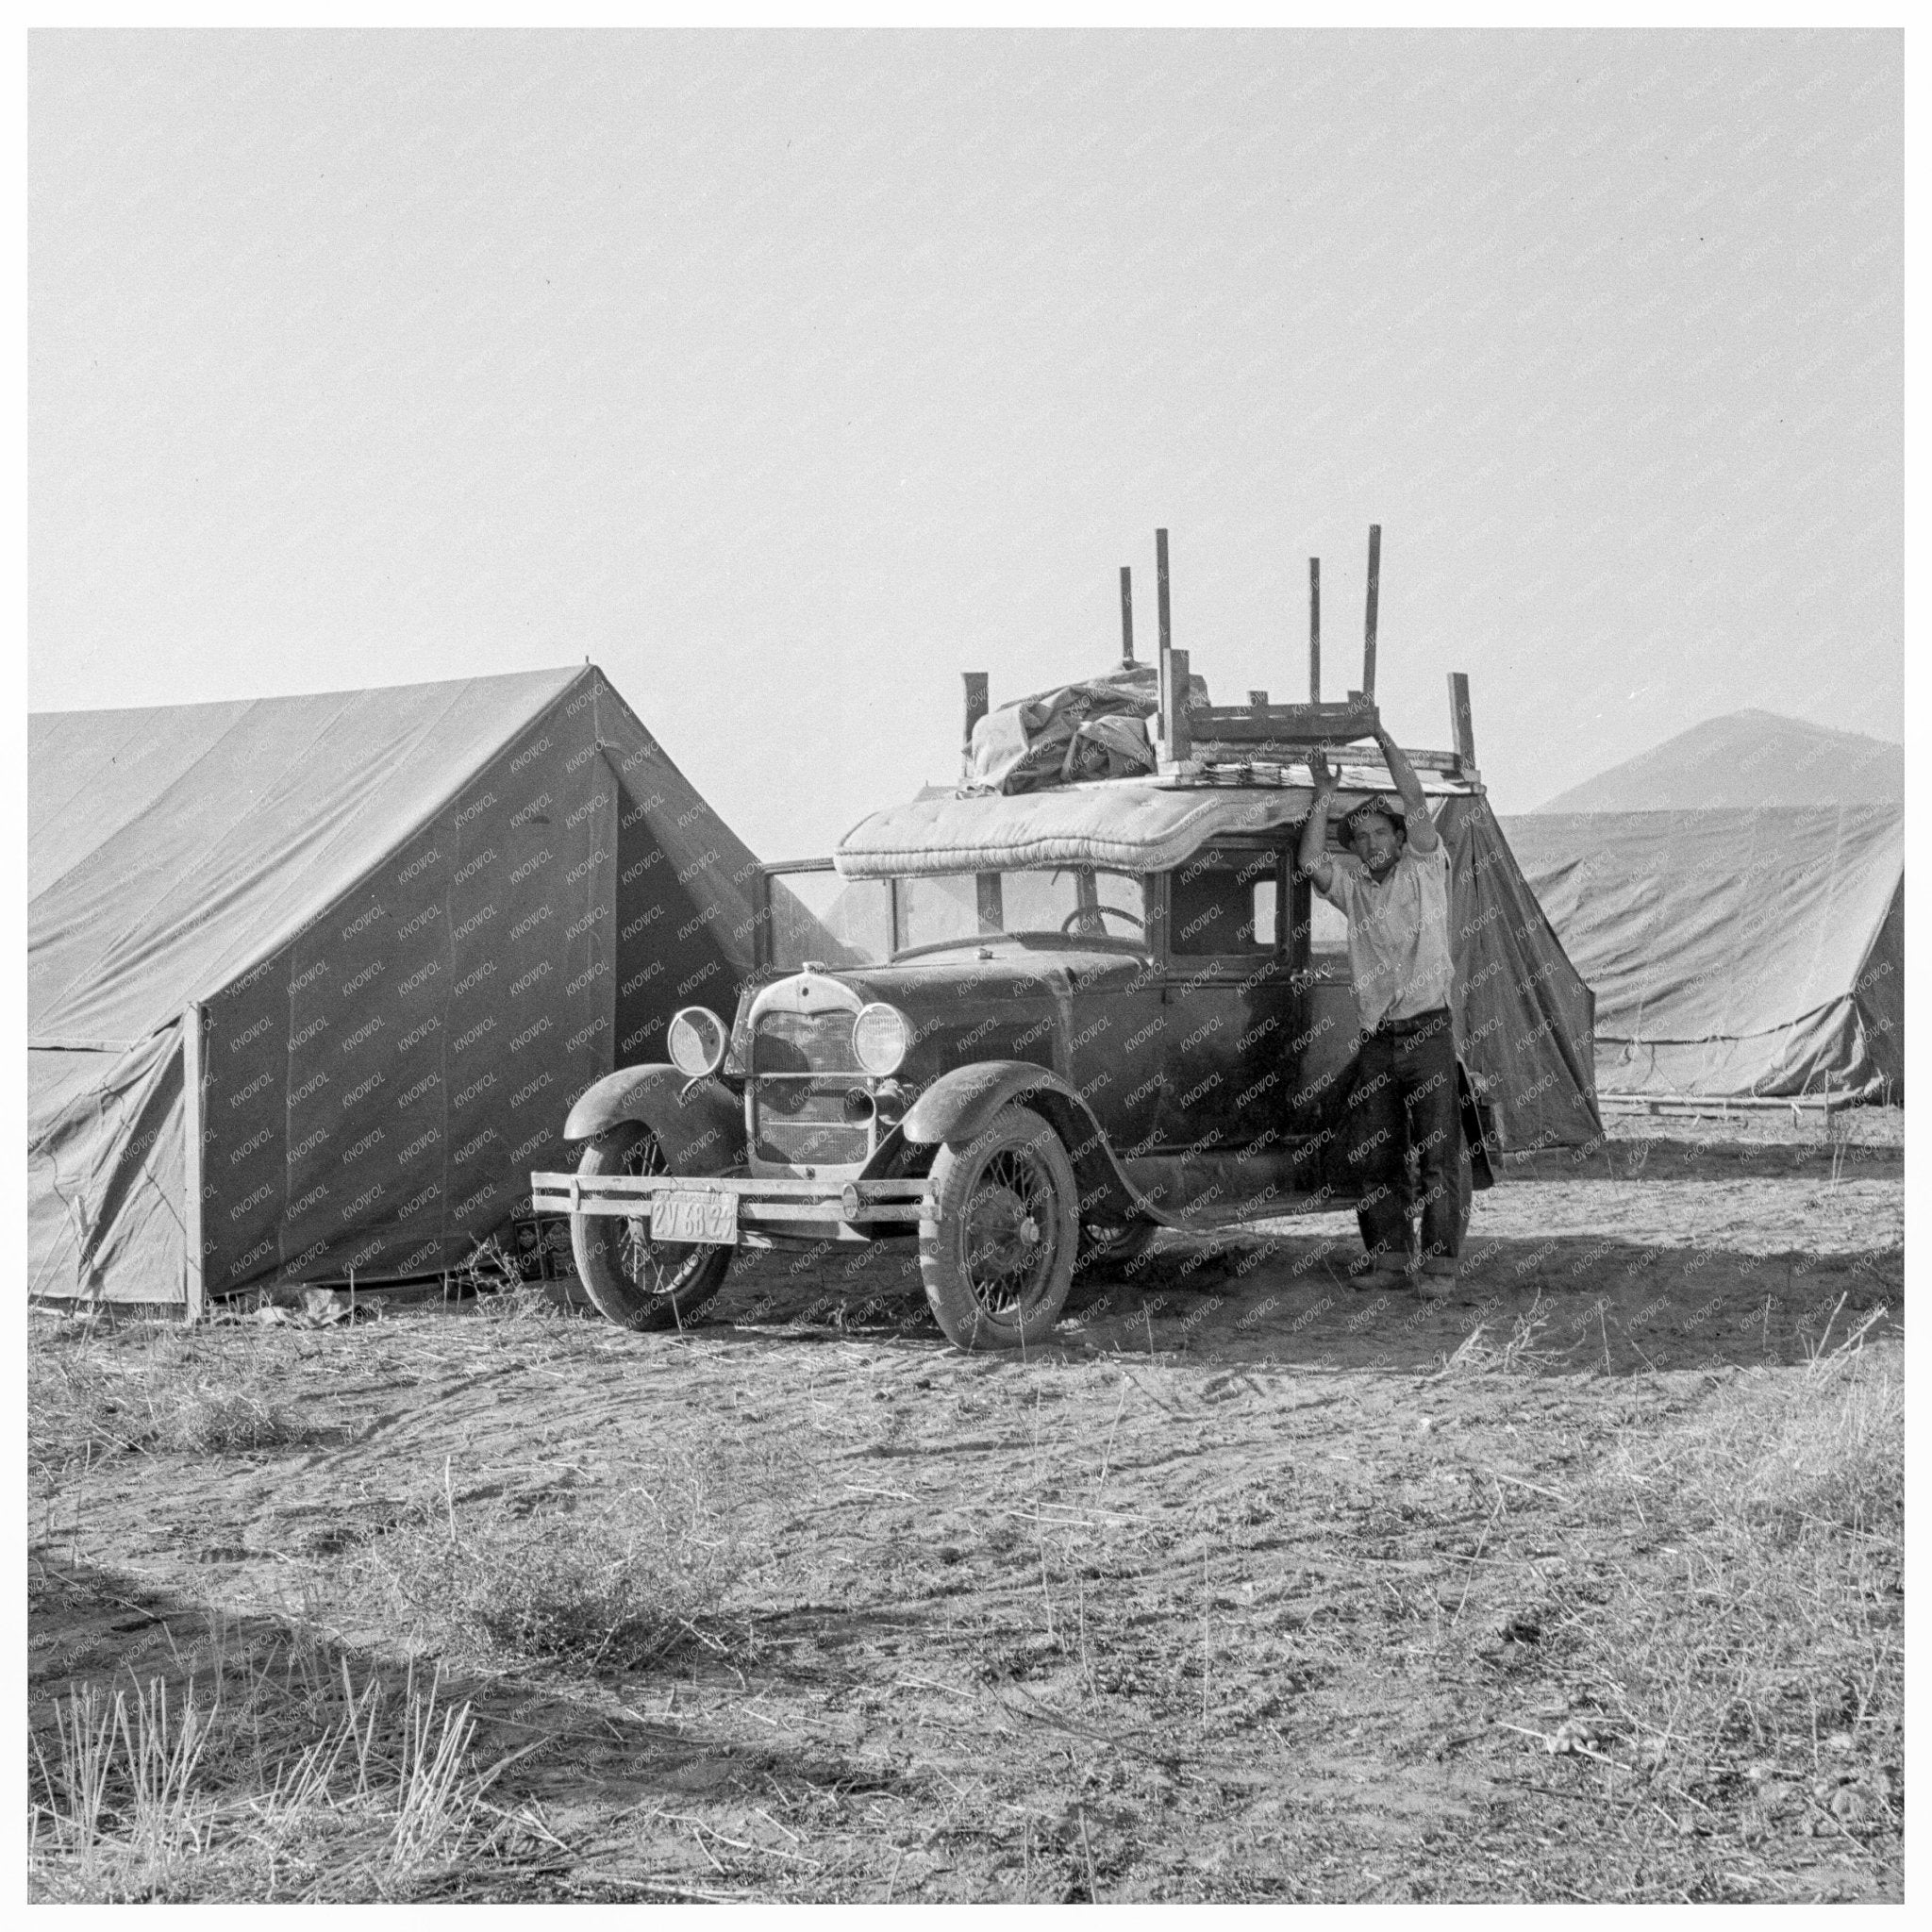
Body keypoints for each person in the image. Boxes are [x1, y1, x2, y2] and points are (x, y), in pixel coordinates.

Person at [1297, 724, 1463, 1299]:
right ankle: (1390, 1260)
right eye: (1360, 836)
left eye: (1378, 831)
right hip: (1378, 1039)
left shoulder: (1425, 865)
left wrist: (1381, 738)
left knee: (1439, 1153)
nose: (1371, 844)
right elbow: (1311, 858)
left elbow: (1415, 800)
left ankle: (1440, 1267)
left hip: (1429, 1031)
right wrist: (1323, 794)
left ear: (1399, 834)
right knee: (1376, 1152)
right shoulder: (1356, 891)